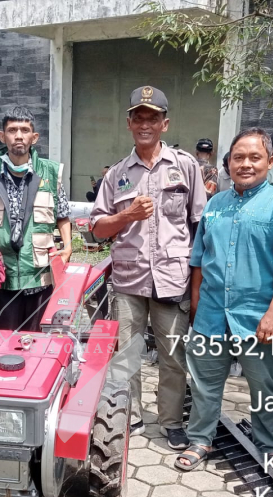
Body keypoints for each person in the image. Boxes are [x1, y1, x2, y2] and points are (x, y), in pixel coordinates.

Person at [175, 128, 273, 470]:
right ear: (228, 162)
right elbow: (199, 259)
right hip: (212, 313)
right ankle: (200, 439)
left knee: (266, 387)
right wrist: (196, 305)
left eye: (254, 157)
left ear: (270, 161)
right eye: (238, 157)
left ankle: (268, 445)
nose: (245, 164)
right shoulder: (215, 204)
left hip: (258, 317)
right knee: (204, 383)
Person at [91, 85, 206, 450]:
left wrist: (198, 282)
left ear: (164, 124)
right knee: (127, 354)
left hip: (173, 278)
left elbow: (200, 225)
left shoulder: (185, 166)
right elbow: (97, 228)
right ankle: (131, 415)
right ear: (129, 124)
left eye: (152, 119)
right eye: (138, 118)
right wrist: (126, 215)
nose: (145, 125)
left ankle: (171, 421)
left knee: (173, 355)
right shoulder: (116, 174)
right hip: (129, 279)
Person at [0, 106, 72, 332]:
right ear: (2, 136)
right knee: (5, 342)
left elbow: (62, 215)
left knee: (37, 343)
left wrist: (68, 247)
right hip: (3, 277)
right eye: (12, 130)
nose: (18, 136)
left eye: (24, 130)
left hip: (40, 276)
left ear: (34, 137)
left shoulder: (50, 173)